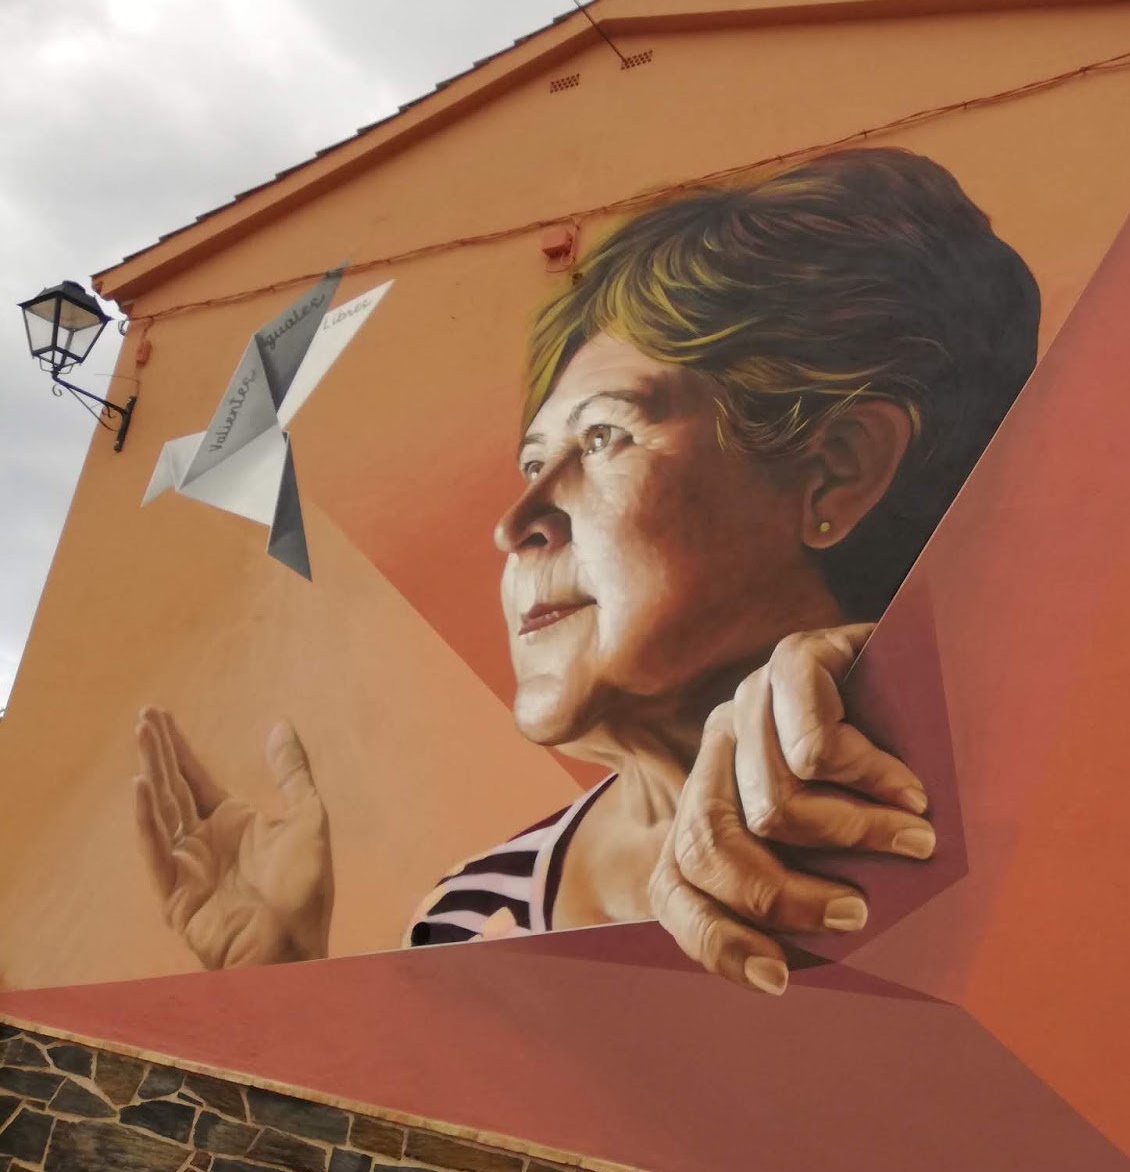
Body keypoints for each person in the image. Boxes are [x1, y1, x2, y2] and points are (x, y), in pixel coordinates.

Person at [133, 146, 1041, 994]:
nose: (514, 524)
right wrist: (280, 981)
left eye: (604, 436)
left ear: (837, 469)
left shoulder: (1006, 782)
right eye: (534, 463)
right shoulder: (467, 915)